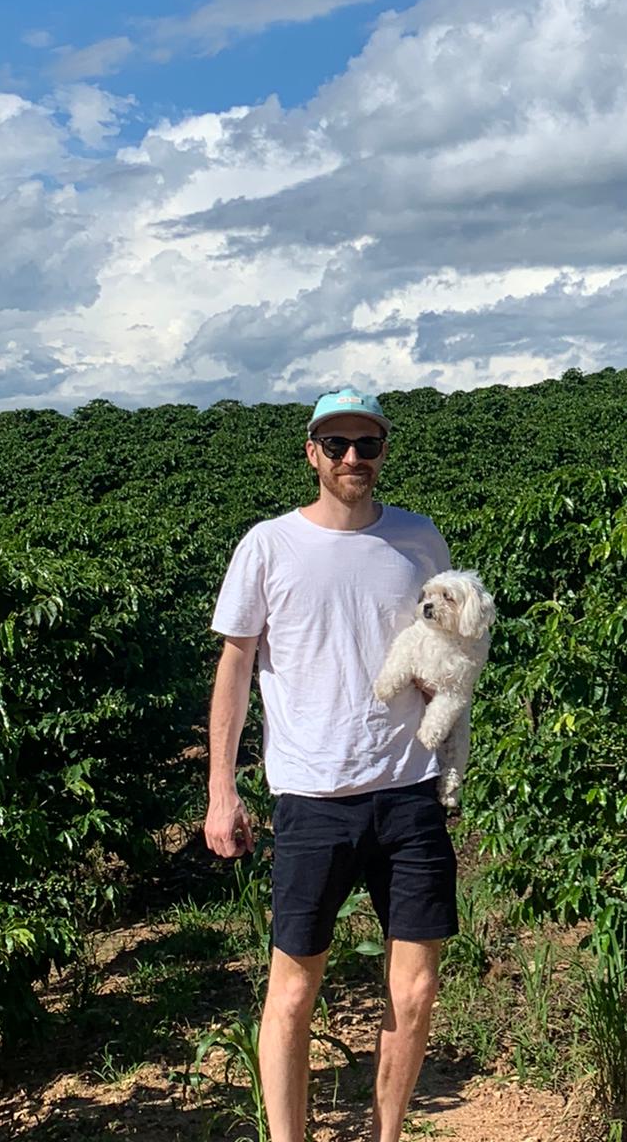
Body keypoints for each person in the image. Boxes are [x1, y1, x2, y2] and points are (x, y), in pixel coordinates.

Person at [204, 387, 457, 1142]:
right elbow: (235, 664)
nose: (354, 458)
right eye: (337, 445)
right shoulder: (269, 545)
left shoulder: (418, 539)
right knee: (293, 989)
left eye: (367, 445)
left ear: (383, 452)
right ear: (312, 453)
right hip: (312, 798)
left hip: (408, 791)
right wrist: (221, 789)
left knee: (414, 992)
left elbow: (442, 643)